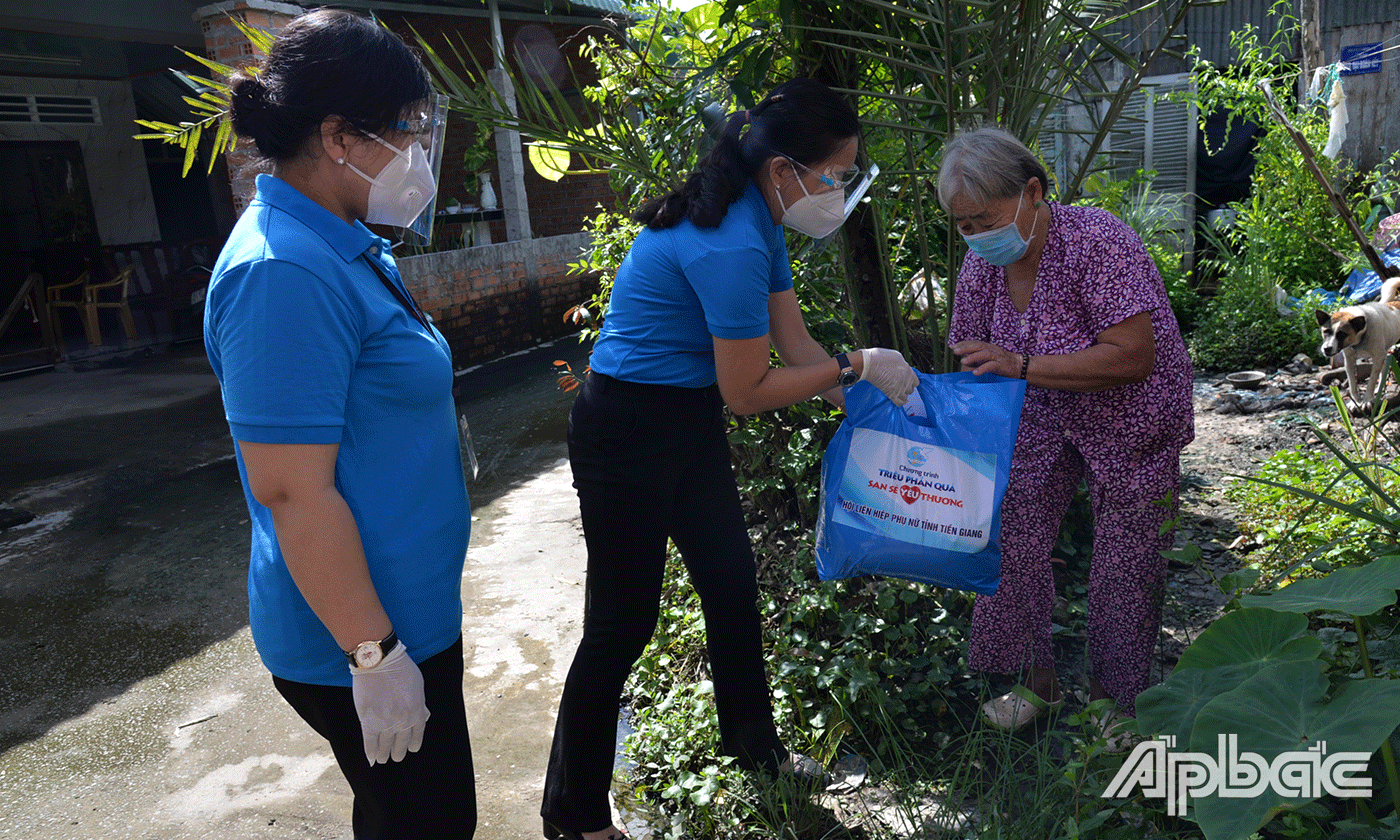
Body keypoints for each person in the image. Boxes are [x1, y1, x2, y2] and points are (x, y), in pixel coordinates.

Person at [540, 78, 918, 840]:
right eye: (837, 173)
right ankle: (574, 814)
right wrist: (858, 364)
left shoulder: (759, 217)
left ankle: (754, 748)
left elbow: (799, 348)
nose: (841, 189)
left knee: (730, 585)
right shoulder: (734, 239)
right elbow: (748, 389)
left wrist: (885, 408)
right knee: (622, 623)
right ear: (785, 169)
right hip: (625, 427)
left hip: (684, 419)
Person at [203, 10, 474, 838]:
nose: (420, 156)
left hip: (408, 613)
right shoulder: (283, 272)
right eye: (410, 133)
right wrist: (374, 654)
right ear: (339, 137)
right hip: (360, 637)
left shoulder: (344, 239)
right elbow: (290, 491)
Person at [939, 127, 1194, 746]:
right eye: (963, 225)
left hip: (1132, 413)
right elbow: (972, 355)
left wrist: (1022, 365)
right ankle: (1037, 682)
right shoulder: (982, 267)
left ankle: (1119, 703)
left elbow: (1132, 356)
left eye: (984, 219)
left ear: (1032, 192)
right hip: (1037, 416)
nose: (975, 236)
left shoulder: (1098, 242)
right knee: (1012, 538)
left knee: (1126, 563)